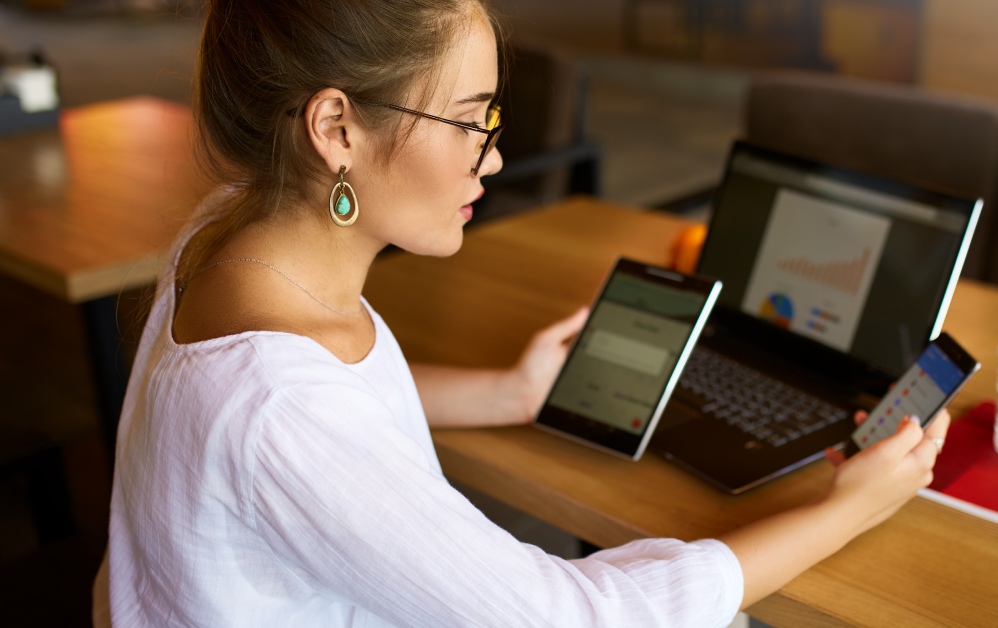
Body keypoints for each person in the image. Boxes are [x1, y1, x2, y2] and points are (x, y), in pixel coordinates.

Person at [94, 0, 949, 625]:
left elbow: (320, 403)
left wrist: (507, 392)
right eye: (469, 121)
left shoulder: (230, 230)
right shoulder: (283, 412)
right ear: (336, 128)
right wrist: (850, 508)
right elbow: (573, 619)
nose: (495, 156)